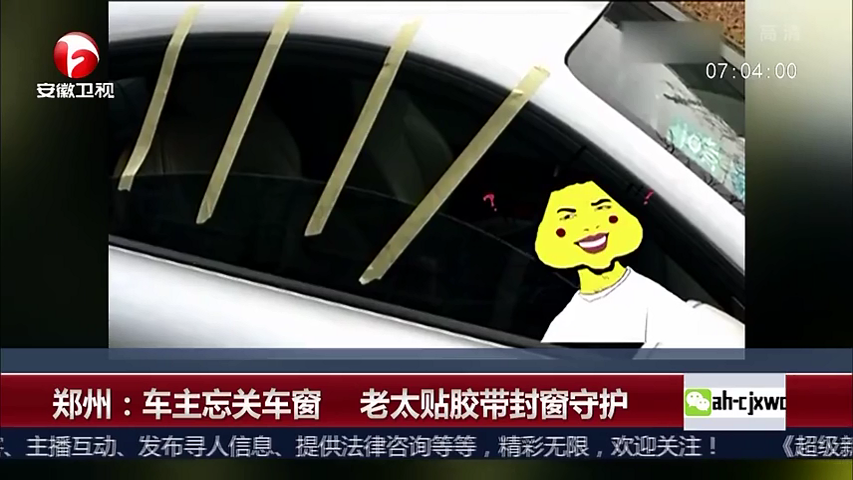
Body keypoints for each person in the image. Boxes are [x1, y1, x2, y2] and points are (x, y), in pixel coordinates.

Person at [534, 180, 743, 348]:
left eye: (601, 208)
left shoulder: (656, 298)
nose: (589, 225)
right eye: (568, 217)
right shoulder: (565, 323)